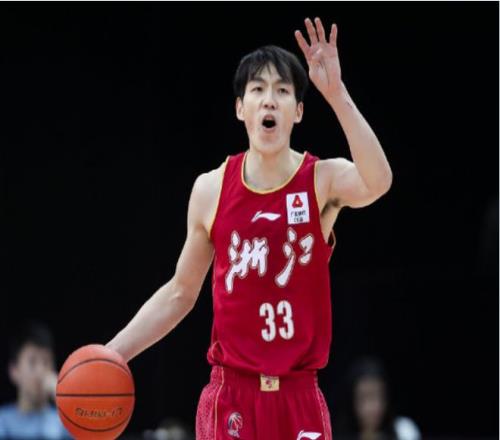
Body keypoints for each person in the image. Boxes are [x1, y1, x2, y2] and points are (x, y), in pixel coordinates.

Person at [106, 17, 392, 439]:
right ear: (241, 108)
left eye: (282, 91)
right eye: (258, 90)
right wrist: (113, 353)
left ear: (298, 111)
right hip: (232, 396)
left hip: (299, 394)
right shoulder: (211, 189)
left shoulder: (321, 180)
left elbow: (378, 181)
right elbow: (180, 293)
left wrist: (336, 94)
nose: (269, 101)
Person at [0, 321, 71, 439]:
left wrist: (62, 394)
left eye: (46, 362)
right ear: (14, 370)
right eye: (32, 362)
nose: (41, 371)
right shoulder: (3, 422)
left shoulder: (65, 424)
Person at [335, 358, 421, 440]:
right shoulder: (335, 433)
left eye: (379, 396)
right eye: (365, 397)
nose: (374, 406)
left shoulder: (403, 431)